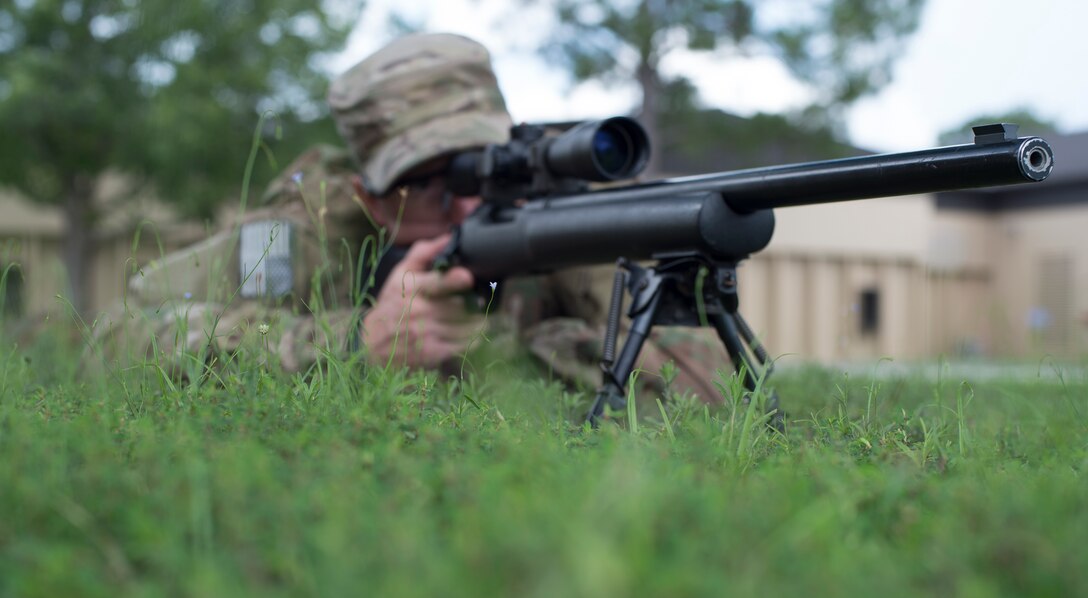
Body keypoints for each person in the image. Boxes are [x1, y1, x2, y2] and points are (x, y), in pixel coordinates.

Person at [98, 33, 731, 401]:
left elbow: (708, 374)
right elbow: (117, 342)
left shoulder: (552, 226)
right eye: (431, 185)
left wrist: (510, 356)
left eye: (481, 172)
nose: (465, 205)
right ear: (369, 195)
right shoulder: (303, 235)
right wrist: (350, 346)